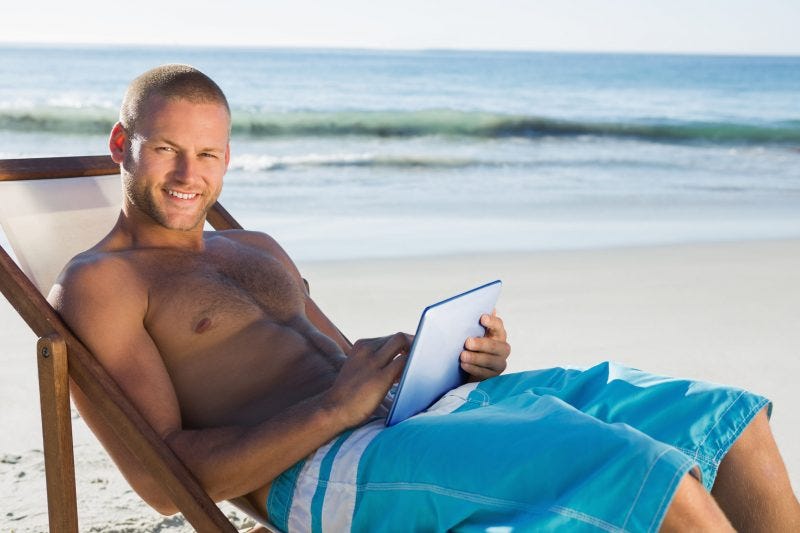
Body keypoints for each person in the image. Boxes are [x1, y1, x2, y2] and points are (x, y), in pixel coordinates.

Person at [49, 64, 799, 532]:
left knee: (726, 418)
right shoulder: (103, 282)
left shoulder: (255, 248)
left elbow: (343, 361)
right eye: (166, 149)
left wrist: (453, 363)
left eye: (207, 153)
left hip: (410, 415)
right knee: (640, 469)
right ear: (122, 146)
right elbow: (162, 481)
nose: (189, 175)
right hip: (330, 468)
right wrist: (334, 410)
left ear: (227, 158)